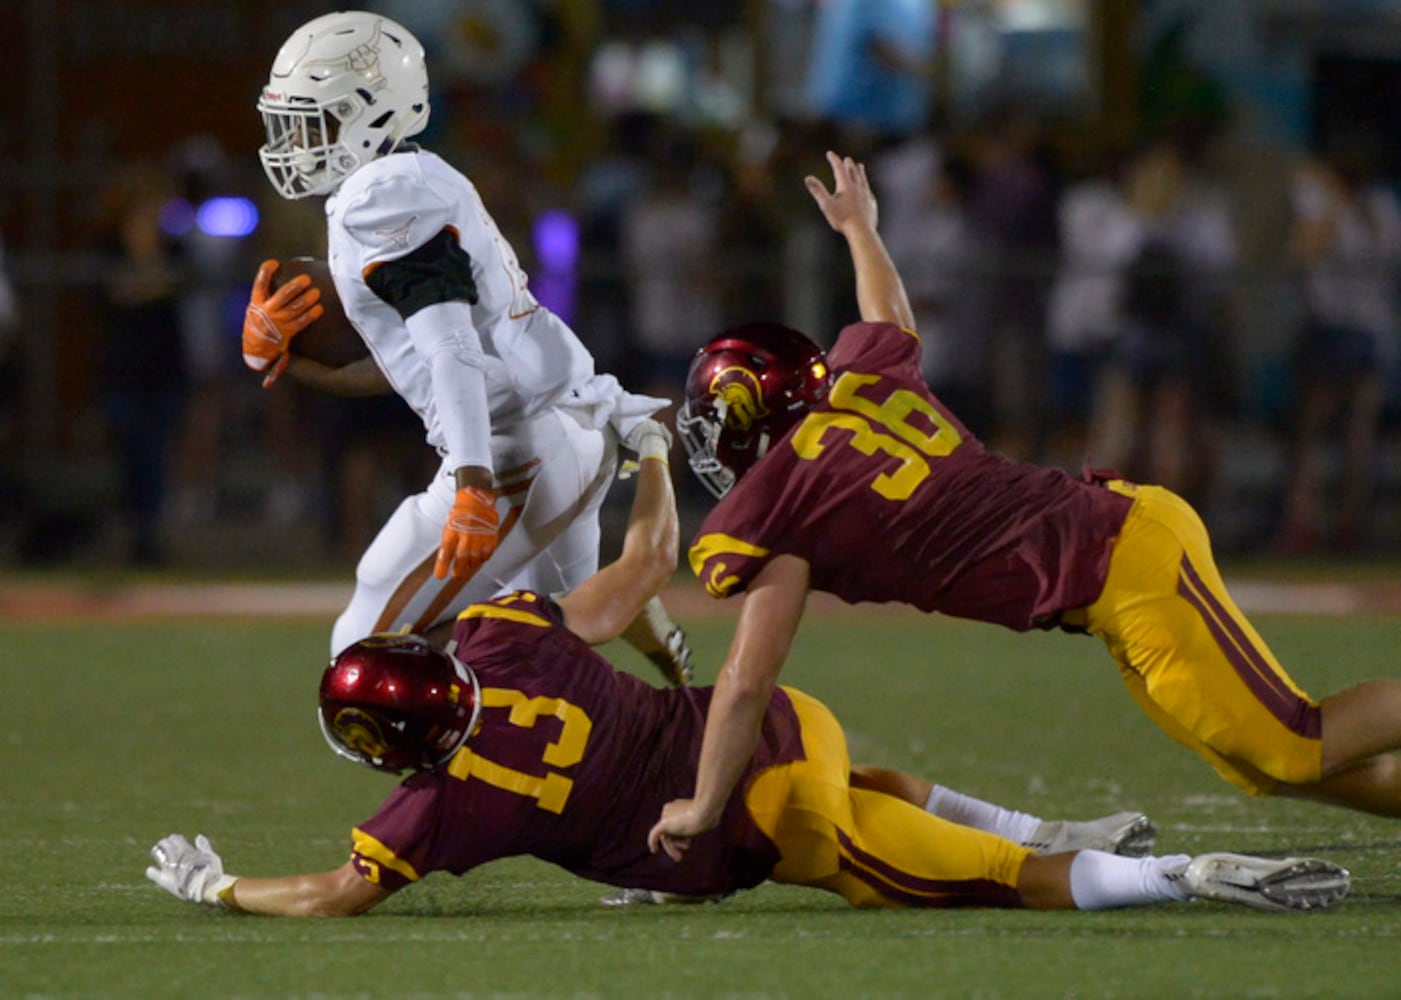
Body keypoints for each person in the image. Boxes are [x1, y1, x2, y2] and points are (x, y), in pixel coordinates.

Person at [146, 437, 1347, 917]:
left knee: (989, 883)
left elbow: (333, 893)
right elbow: (645, 566)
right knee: (864, 779)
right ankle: (1068, 825)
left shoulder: (445, 801)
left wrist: (222, 888)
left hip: (750, 822)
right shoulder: (500, 636)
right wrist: (655, 455)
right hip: (786, 725)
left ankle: (1176, 877)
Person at [647, 151, 1401, 861]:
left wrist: (705, 803)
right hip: (1118, 549)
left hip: (1121, 562)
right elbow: (888, 313)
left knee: (1289, 742)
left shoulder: (781, 505)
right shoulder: (860, 385)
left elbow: (746, 681)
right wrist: (860, 231)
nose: (710, 440)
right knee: (1261, 764)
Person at [240, 11, 689, 684]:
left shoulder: (379, 198)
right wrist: (291, 362)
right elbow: (414, 365)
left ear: (372, 111)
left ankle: (458, 781)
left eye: (319, 120)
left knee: (360, 657)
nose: (300, 141)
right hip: (569, 431)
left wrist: (473, 483)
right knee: (556, 640)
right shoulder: (417, 177)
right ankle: (669, 682)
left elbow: (450, 348)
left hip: (513, 455)